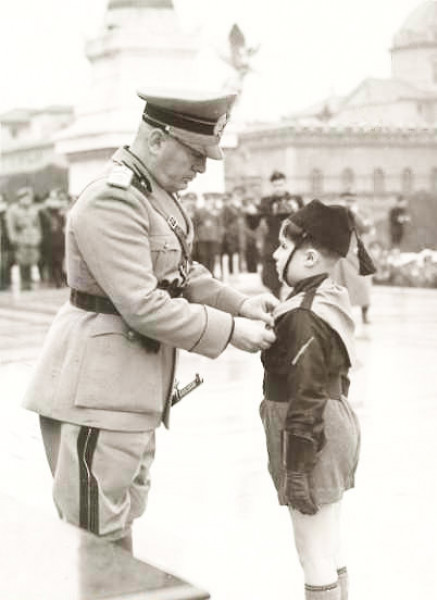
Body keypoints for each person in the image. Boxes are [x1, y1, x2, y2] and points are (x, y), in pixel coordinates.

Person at [23, 89, 278, 552]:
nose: (202, 169)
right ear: (158, 140)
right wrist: (232, 332)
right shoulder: (113, 200)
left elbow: (180, 273)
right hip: (96, 394)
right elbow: (143, 304)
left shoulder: (153, 195)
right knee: (94, 540)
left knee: (117, 523)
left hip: (127, 390)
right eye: (195, 154)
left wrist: (239, 305)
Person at [259, 199, 375, 600]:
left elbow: (306, 392)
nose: (274, 255)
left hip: (310, 437)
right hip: (330, 428)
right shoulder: (326, 298)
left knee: (312, 553)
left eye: (280, 246)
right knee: (328, 544)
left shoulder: (303, 314)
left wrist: (296, 467)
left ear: (308, 257)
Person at [332, 193, 375, 324]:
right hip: (340, 255)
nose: (348, 203)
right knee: (339, 288)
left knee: (363, 285)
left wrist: (355, 214)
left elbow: (366, 228)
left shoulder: (360, 213)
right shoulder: (336, 214)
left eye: (351, 201)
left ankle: (364, 314)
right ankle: (340, 316)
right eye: (346, 201)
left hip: (356, 254)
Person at [258, 171, 301, 297]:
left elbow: (306, 220)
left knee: (297, 277)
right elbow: (255, 220)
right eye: (276, 185)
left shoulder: (296, 200)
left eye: (281, 185)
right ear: (272, 186)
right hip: (273, 243)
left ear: (286, 184)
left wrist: (297, 209)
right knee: (272, 281)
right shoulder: (266, 202)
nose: (278, 188)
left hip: (293, 243)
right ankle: (277, 307)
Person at [5, 187, 42, 290]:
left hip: (32, 239)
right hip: (21, 239)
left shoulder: (33, 209)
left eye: (28, 197)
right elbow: (10, 227)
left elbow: (37, 225)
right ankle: (24, 285)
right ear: (20, 198)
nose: (27, 200)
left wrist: (38, 237)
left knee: (32, 261)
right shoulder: (13, 210)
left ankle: (29, 284)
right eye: (24, 198)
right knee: (22, 263)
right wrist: (13, 239)